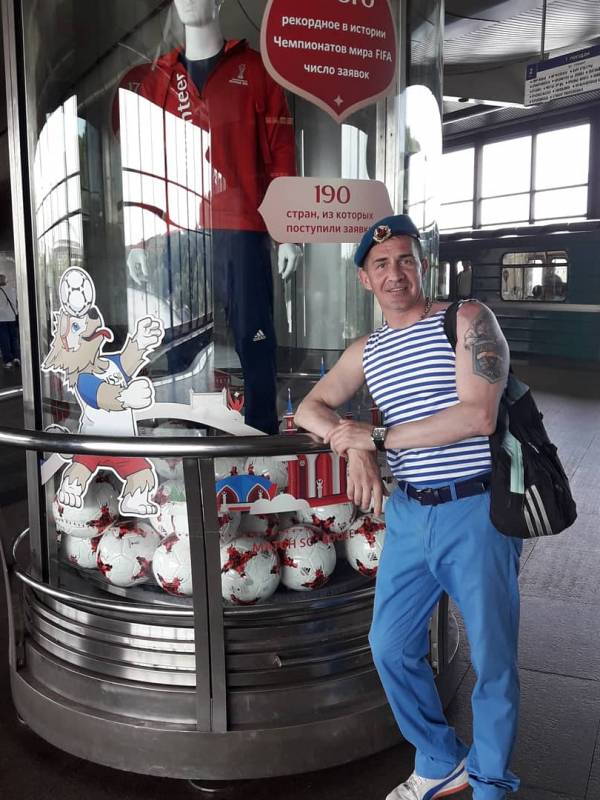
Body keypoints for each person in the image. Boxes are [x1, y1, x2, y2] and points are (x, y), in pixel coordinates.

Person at [295, 215, 521, 800]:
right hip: (409, 515)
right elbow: (309, 408)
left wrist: (374, 438)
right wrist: (350, 442)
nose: (394, 273)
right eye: (380, 265)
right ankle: (441, 759)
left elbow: (478, 416)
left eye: (404, 260)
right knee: (390, 646)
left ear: (422, 266)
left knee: (493, 658)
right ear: (365, 280)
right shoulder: (367, 351)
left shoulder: (466, 320)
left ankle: (491, 784)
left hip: (475, 510)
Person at [115, 0, 301, 433]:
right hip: (178, 229)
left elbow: (280, 153)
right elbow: (145, 163)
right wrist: (139, 236)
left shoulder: (256, 70)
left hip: (244, 226)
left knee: (254, 334)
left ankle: (261, 432)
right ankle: (183, 433)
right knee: (182, 336)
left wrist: (288, 232)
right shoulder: (159, 79)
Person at [0, 273, 20, 368]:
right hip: (12, 317)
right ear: (5, 281)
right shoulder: (12, 290)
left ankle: (8, 361)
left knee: (4, 339)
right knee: (14, 338)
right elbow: (16, 302)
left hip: (1, 319)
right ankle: (16, 357)